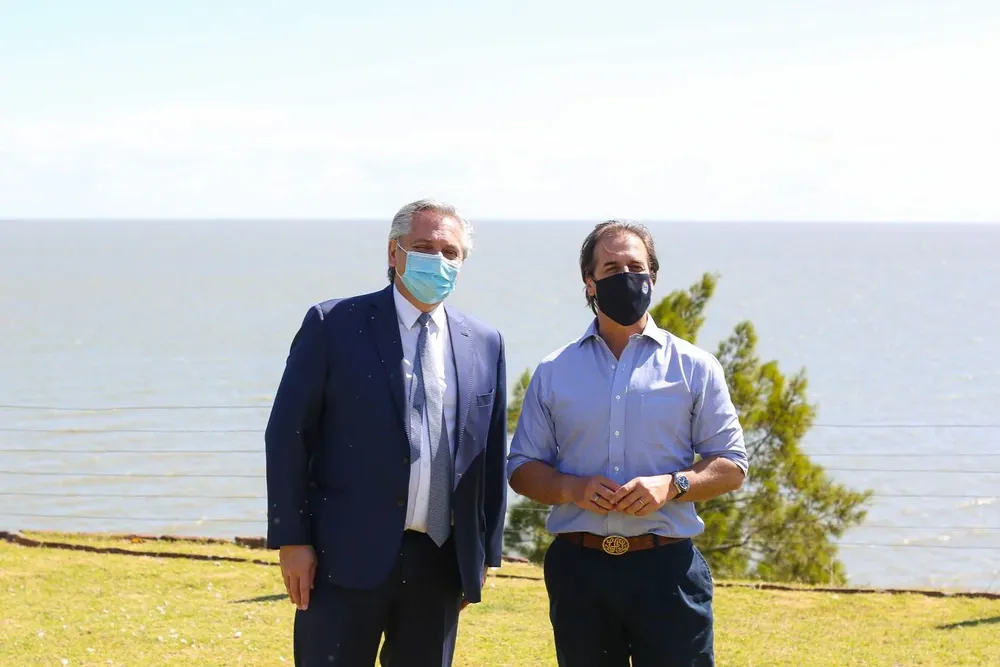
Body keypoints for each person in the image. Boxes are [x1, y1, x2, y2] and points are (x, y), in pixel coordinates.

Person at [265, 199, 508, 667]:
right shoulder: (333, 324)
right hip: (341, 558)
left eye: (449, 251)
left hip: (439, 561)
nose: (437, 260)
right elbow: (288, 435)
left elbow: (490, 455)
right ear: (393, 253)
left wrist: (482, 555)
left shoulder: (484, 342)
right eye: (422, 246)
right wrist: (292, 539)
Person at [506, 220, 749, 667]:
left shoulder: (696, 367)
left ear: (652, 278)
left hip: (668, 572)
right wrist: (571, 489)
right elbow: (522, 467)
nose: (626, 276)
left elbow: (731, 464)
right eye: (611, 266)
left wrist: (672, 485)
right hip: (580, 572)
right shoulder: (554, 370)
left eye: (636, 266)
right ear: (590, 282)